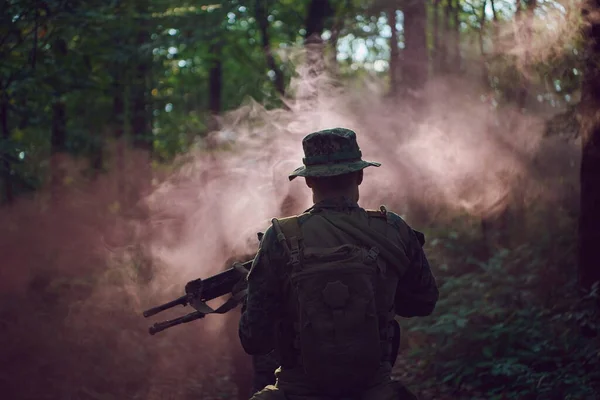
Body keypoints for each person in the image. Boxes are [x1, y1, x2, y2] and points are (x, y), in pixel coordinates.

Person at [238, 128, 438, 400]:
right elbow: (423, 303)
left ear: (308, 181)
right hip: (374, 391)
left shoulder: (280, 237)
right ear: (360, 174)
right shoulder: (394, 230)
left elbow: (254, 338)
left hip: (298, 392)